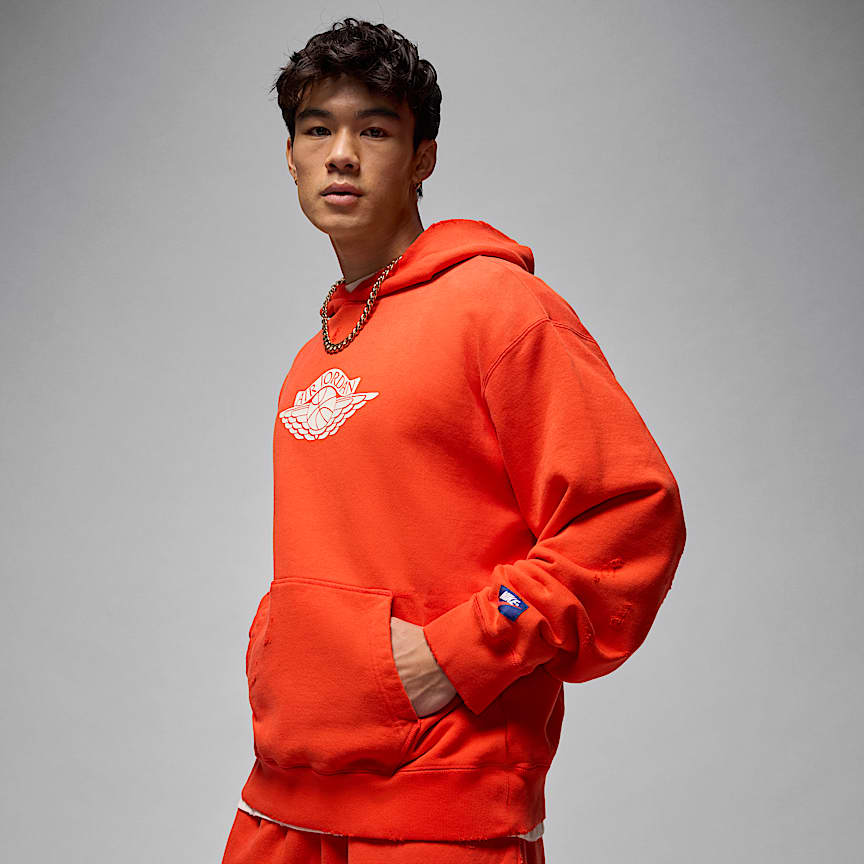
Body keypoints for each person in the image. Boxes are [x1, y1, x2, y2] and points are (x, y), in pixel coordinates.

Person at [221, 16, 686, 864]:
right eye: (317, 130)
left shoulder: (499, 309)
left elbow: (629, 517)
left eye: (375, 130)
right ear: (289, 156)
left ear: (422, 158)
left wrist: (456, 652)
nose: (341, 155)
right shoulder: (316, 353)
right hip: (289, 791)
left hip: (439, 805)